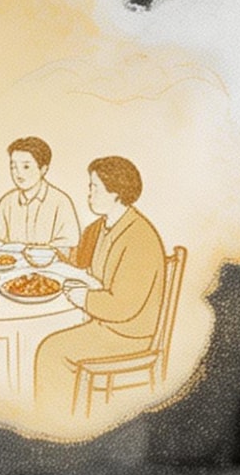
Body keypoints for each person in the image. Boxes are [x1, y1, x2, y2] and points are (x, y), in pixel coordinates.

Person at [32, 156, 166, 414]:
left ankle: (56, 426)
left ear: (116, 192)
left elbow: (124, 306)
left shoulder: (139, 237)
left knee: (51, 351)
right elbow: (92, 271)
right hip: (108, 324)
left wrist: (84, 299)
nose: (89, 193)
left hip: (129, 335)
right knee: (48, 334)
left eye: (95, 187)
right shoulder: (105, 227)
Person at [0, 137, 80, 251]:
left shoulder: (60, 201)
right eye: (13, 167)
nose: (18, 173)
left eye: (26, 167)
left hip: (48, 267)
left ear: (43, 169)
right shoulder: (7, 201)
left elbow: (68, 243)